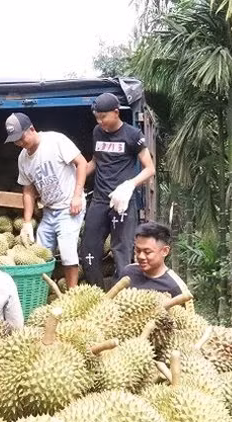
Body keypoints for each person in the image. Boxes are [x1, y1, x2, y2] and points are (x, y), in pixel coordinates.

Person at [81, 92, 156, 290]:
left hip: (122, 202)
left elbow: (150, 168)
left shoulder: (133, 135)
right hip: (99, 201)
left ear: (116, 112)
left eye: (103, 116)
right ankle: (95, 294)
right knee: (88, 250)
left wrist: (129, 185)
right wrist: (76, 183)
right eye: (97, 117)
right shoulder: (97, 131)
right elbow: (95, 162)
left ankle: (122, 296)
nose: (100, 121)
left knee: (122, 252)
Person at [4, 112, 88, 288]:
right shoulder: (23, 159)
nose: (19, 143)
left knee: (67, 251)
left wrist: (77, 196)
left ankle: (72, 295)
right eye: (15, 141)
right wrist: (27, 222)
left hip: (68, 206)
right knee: (39, 253)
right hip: (49, 210)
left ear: (32, 129)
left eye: (21, 138)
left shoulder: (55, 141)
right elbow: (28, 190)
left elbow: (82, 163)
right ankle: (42, 292)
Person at [120, 221, 191, 299]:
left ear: (165, 251)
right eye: (138, 250)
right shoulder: (128, 272)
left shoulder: (175, 287)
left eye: (147, 252)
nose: (141, 256)